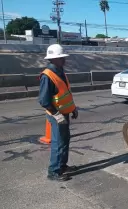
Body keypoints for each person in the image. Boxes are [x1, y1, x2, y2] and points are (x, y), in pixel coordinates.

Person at [38, 44, 79, 181]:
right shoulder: (48, 76)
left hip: (64, 113)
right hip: (56, 115)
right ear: (54, 59)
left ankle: (62, 166)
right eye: (61, 58)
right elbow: (44, 101)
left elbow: (65, 93)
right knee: (58, 143)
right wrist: (57, 115)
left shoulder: (60, 71)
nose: (64, 60)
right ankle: (54, 171)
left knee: (64, 141)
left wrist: (72, 108)